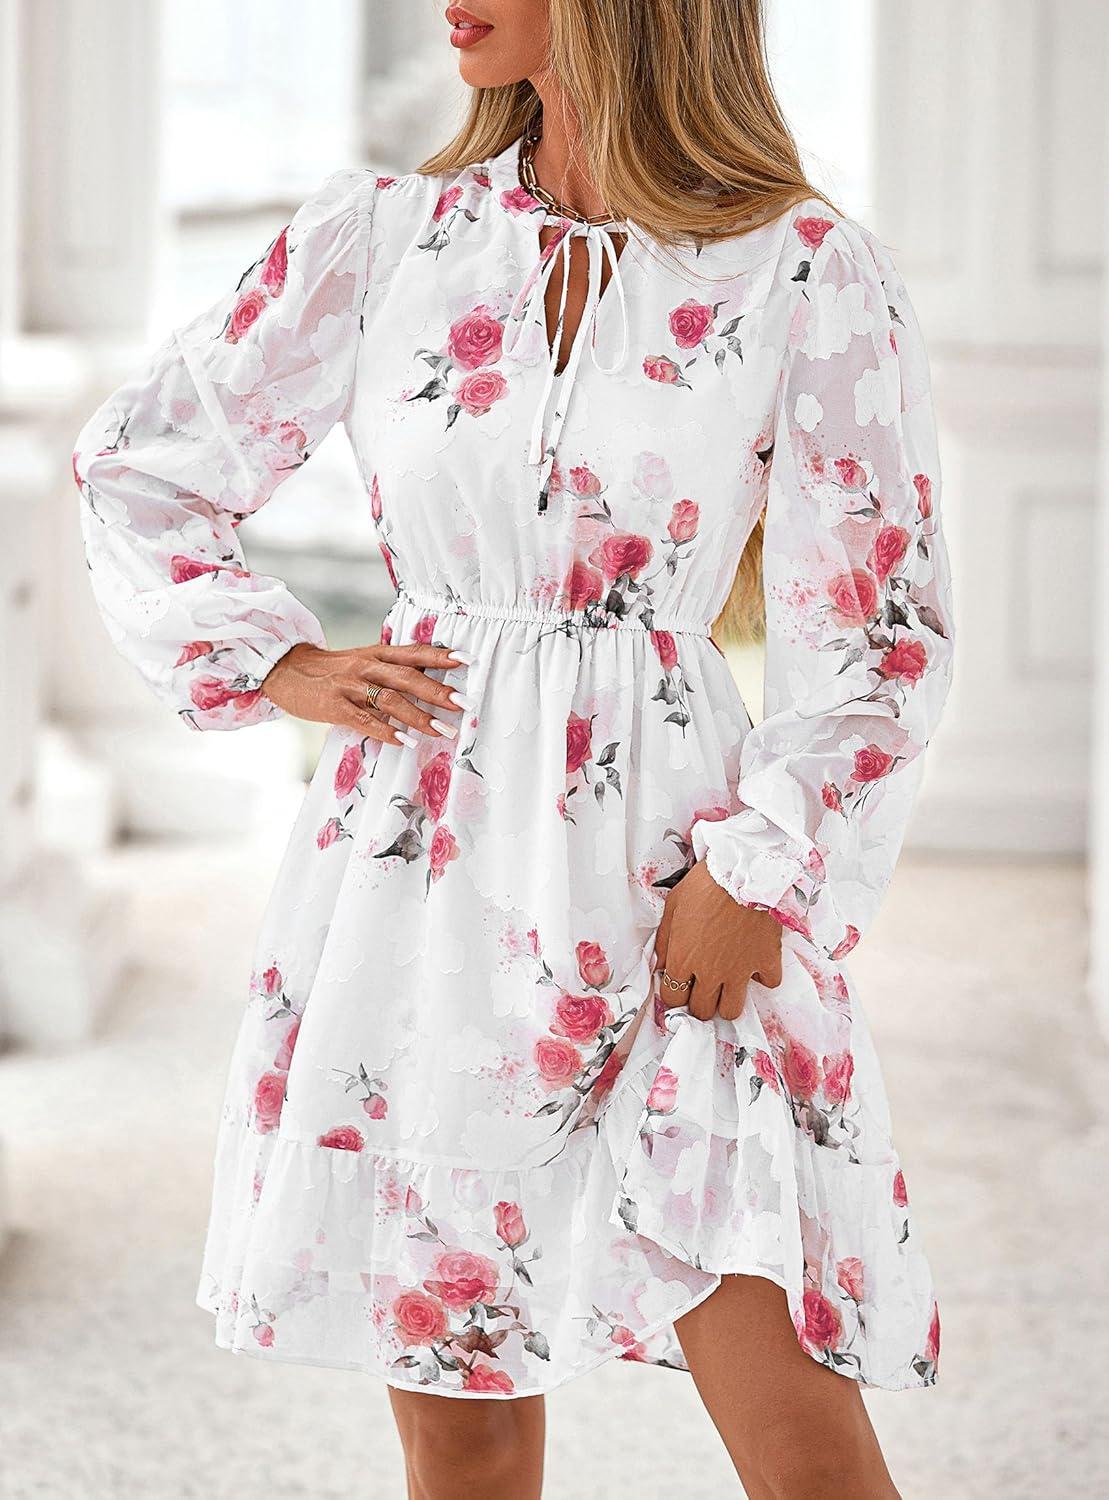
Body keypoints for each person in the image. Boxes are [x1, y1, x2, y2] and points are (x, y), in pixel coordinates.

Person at [72, 2, 954, 1495]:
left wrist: (758, 866)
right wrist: (279, 659)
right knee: (459, 1412)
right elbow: (140, 464)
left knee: (795, 1418)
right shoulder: (384, 236)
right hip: (419, 865)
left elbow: (880, 627)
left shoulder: (802, 266)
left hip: (680, 861)